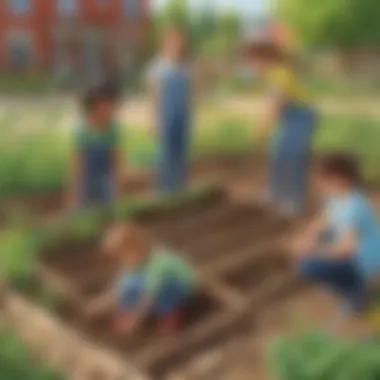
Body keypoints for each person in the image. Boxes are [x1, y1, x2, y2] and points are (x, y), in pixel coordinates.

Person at [293, 154, 380, 313]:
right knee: (320, 239)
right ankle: (339, 282)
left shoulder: (353, 206)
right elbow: (323, 221)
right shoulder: (337, 198)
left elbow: (346, 249)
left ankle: (354, 292)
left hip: (362, 261)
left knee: (308, 266)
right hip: (352, 250)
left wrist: (313, 251)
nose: (320, 184)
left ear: (340, 179)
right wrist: (306, 237)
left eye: (324, 179)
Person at [242, 40, 317, 215]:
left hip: (301, 116)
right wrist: (263, 126)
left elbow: (275, 105)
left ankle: (293, 201)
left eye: (252, 61)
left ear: (263, 58)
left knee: (293, 155)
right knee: (278, 153)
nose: (251, 66)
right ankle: (273, 193)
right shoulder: (271, 74)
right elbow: (270, 104)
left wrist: (262, 130)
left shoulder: (280, 74)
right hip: (289, 116)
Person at [85, 223, 195, 334]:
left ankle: (170, 316)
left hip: (180, 289)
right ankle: (129, 316)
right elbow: (118, 287)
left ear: (136, 248)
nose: (121, 262)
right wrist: (99, 304)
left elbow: (150, 295)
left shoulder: (158, 261)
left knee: (165, 288)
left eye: (122, 256)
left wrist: (136, 318)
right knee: (129, 285)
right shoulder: (133, 264)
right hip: (150, 292)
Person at [147, 27, 192, 195]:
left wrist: (190, 116)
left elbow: (188, 95)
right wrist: (153, 120)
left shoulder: (184, 68)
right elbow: (153, 96)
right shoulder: (157, 67)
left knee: (180, 154)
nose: (177, 46)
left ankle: (179, 188)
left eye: (179, 43)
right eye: (173, 43)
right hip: (165, 117)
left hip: (182, 116)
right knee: (165, 155)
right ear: (165, 44)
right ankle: (163, 191)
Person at [68, 82, 125, 209]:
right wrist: (74, 192)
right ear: (95, 109)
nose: (111, 112)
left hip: (104, 181)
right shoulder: (83, 131)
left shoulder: (111, 130)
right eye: (108, 108)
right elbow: (77, 162)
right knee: (85, 210)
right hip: (87, 182)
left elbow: (115, 158)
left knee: (105, 209)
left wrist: (119, 185)